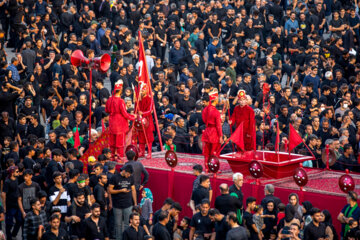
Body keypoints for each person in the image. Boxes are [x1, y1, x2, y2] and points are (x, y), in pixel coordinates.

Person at [105, 80, 136, 161]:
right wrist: (133, 117)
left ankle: (111, 156)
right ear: (121, 90)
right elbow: (125, 114)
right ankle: (119, 157)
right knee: (120, 143)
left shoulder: (110, 100)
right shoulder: (121, 101)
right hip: (119, 123)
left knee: (112, 142)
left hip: (112, 122)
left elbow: (107, 110)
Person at [108, 164, 137, 240]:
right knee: (118, 224)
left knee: (128, 223)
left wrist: (135, 203)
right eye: (128, 174)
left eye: (130, 174)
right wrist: (120, 190)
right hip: (117, 205)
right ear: (124, 171)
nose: (128, 176)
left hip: (128, 204)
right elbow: (110, 190)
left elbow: (133, 190)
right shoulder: (115, 177)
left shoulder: (131, 178)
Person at [202, 89, 223, 172]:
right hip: (214, 133)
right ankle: (213, 169)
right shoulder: (216, 112)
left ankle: (207, 168)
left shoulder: (205, 110)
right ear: (216, 100)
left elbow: (204, 120)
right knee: (214, 152)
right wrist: (221, 136)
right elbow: (218, 126)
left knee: (206, 152)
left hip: (207, 131)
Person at [134, 81, 155, 158]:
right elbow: (135, 109)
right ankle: (141, 152)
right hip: (140, 120)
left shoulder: (150, 99)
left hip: (147, 120)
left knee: (148, 137)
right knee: (141, 136)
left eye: (142, 90)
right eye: (141, 90)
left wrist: (142, 113)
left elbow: (150, 110)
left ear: (146, 90)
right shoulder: (138, 99)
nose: (141, 92)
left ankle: (149, 152)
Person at [2, 166, 22, 239]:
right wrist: (4, 206)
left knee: (19, 221)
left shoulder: (17, 179)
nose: (18, 173)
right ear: (12, 173)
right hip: (10, 206)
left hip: (17, 205)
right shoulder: (7, 182)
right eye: (17, 171)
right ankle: (9, 237)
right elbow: (3, 194)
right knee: (9, 224)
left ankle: (13, 234)